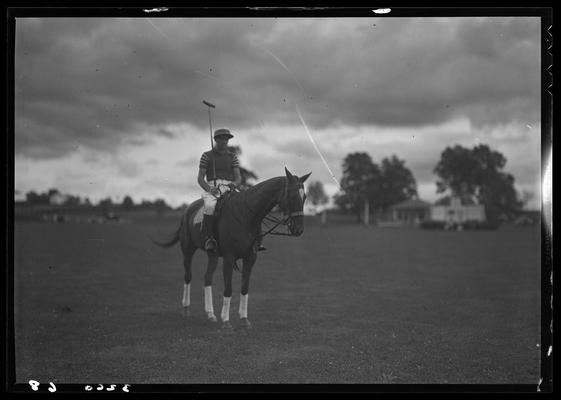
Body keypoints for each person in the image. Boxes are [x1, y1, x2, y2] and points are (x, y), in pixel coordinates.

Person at [198, 128, 242, 252]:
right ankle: (209, 238)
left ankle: (251, 237)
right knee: (210, 206)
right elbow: (200, 178)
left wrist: (234, 184)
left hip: (229, 186)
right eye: (221, 139)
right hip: (213, 186)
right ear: (216, 140)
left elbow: (238, 177)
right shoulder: (206, 156)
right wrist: (209, 189)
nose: (224, 141)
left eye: (226, 139)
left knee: (244, 204)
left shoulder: (232, 157)